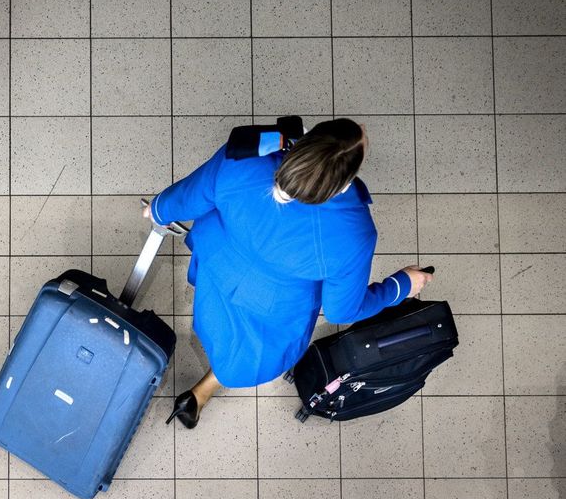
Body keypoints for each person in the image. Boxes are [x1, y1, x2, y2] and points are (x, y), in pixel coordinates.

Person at [148, 118, 433, 428]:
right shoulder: (353, 233)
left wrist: (158, 210)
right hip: (273, 308)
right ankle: (203, 391)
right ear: (343, 183)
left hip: (219, 267)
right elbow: (342, 309)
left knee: (216, 320)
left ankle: (203, 387)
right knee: (246, 358)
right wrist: (400, 285)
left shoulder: (244, 158)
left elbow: (187, 196)